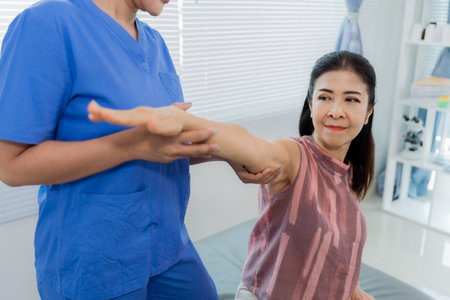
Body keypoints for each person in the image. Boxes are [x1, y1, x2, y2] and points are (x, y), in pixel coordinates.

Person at [0, 0, 280, 299]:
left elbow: (161, 143)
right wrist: (128, 145)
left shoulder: (155, 43)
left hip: (169, 246)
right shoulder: (47, 25)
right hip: (94, 264)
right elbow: (11, 166)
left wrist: (221, 153)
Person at [88, 51, 377, 300]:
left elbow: (334, 249)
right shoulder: (293, 157)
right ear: (311, 105)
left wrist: (353, 290)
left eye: (351, 100)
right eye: (325, 97)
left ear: (368, 112)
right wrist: (184, 122)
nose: (336, 111)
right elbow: (248, 144)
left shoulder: (349, 175)